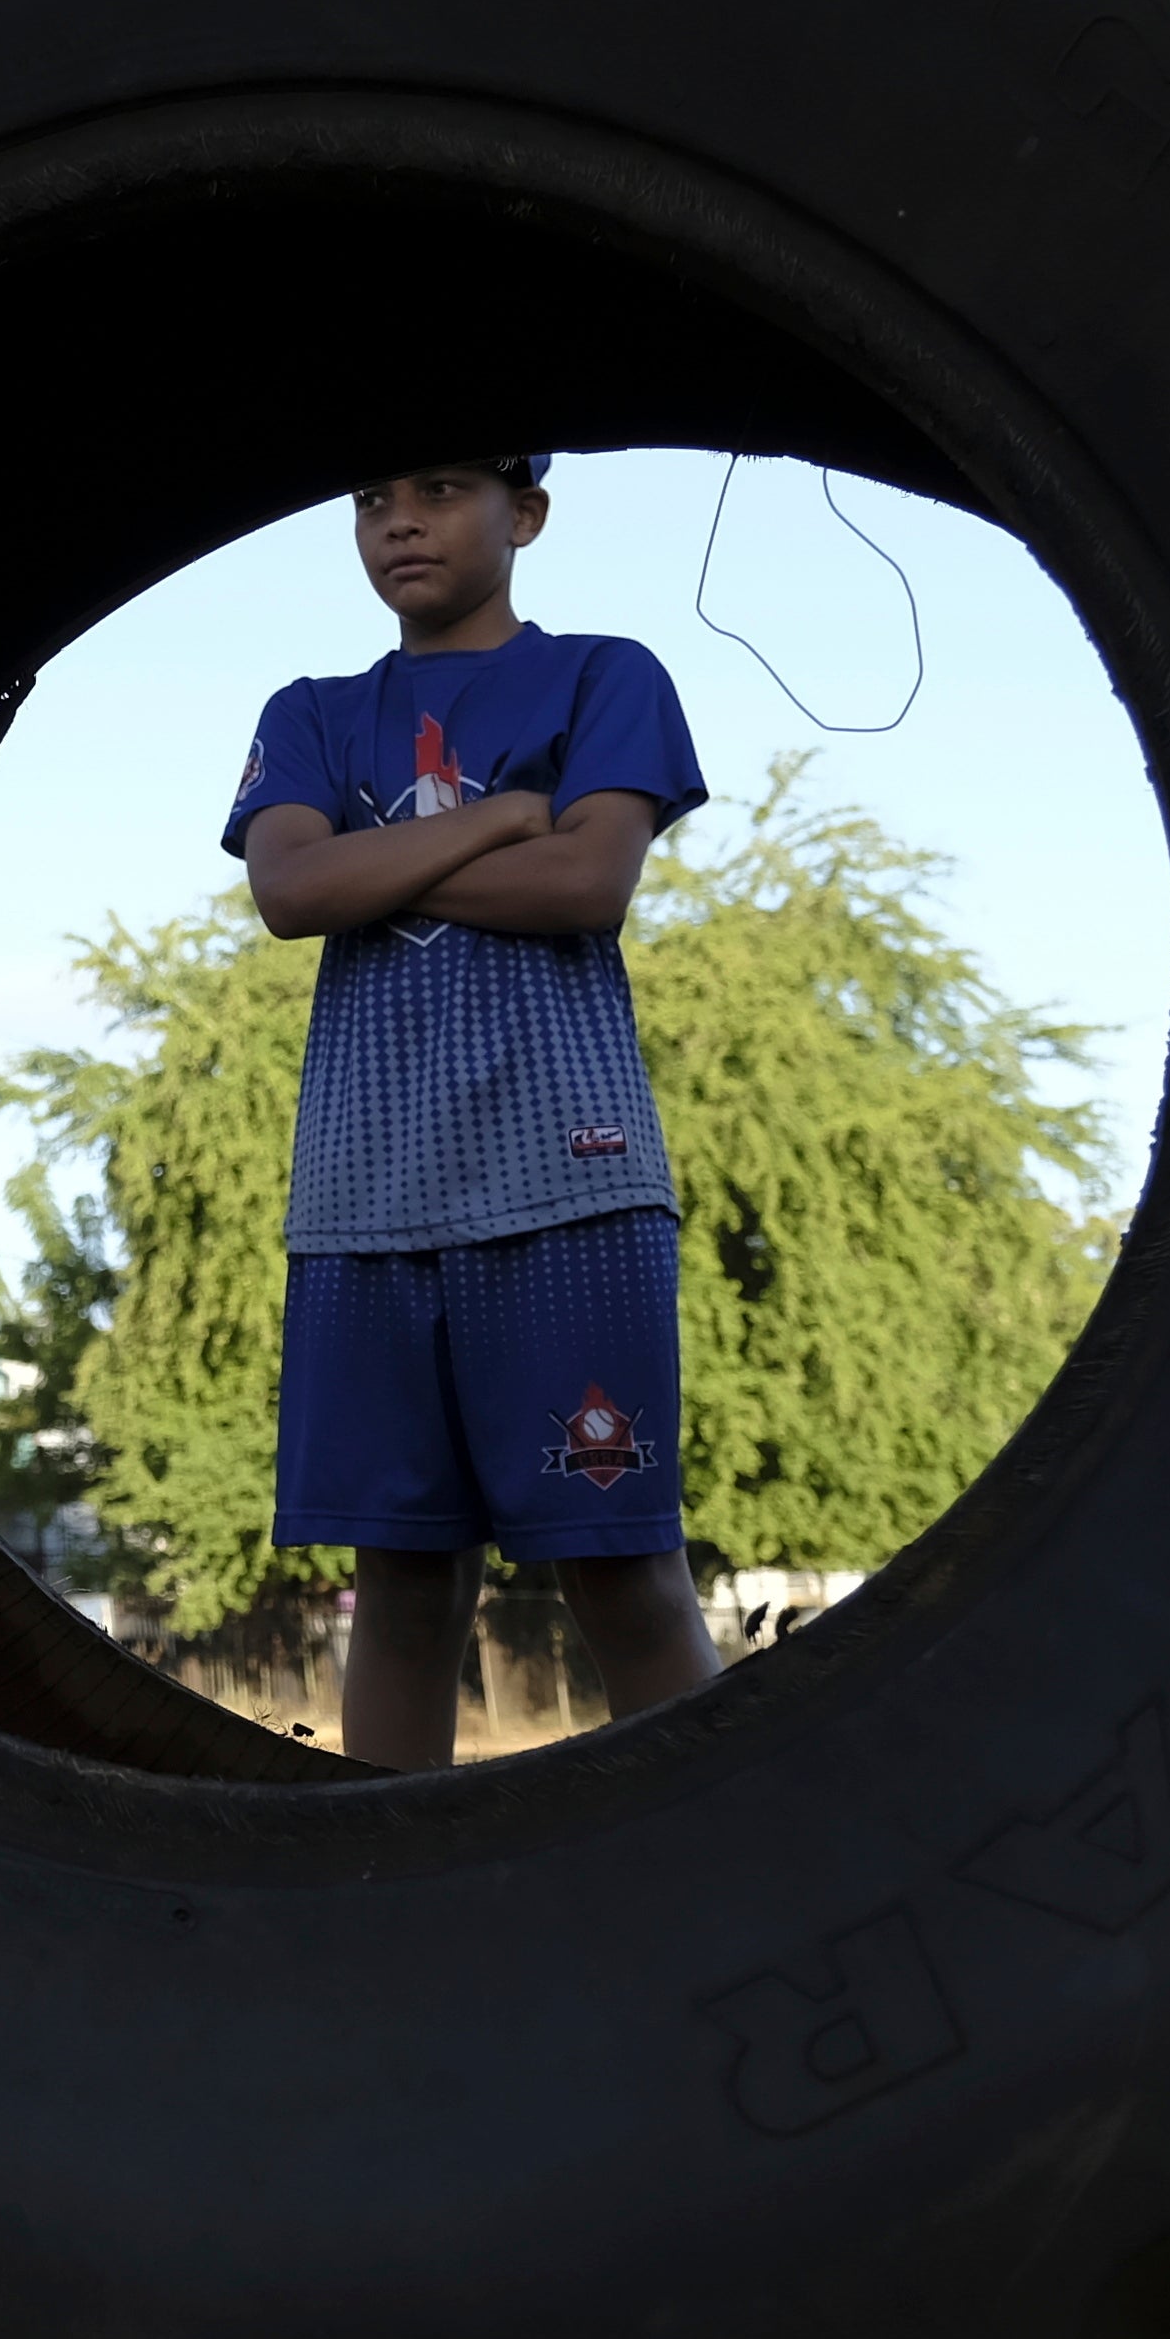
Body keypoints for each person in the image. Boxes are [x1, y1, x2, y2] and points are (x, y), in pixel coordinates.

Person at [225, 456, 724, 1771]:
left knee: (624, 1573)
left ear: (527, 513)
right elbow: (288, 894)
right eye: (370, 497)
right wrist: (504, 816)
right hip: (365, 1201)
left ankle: (718, 1858)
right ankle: (385, 1879)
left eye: (441, 489)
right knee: (398, 1587)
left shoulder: (605, 676)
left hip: (571, 1188)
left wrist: (366, 865)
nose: (400, 520)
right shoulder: (313, 710)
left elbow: (587, 884)